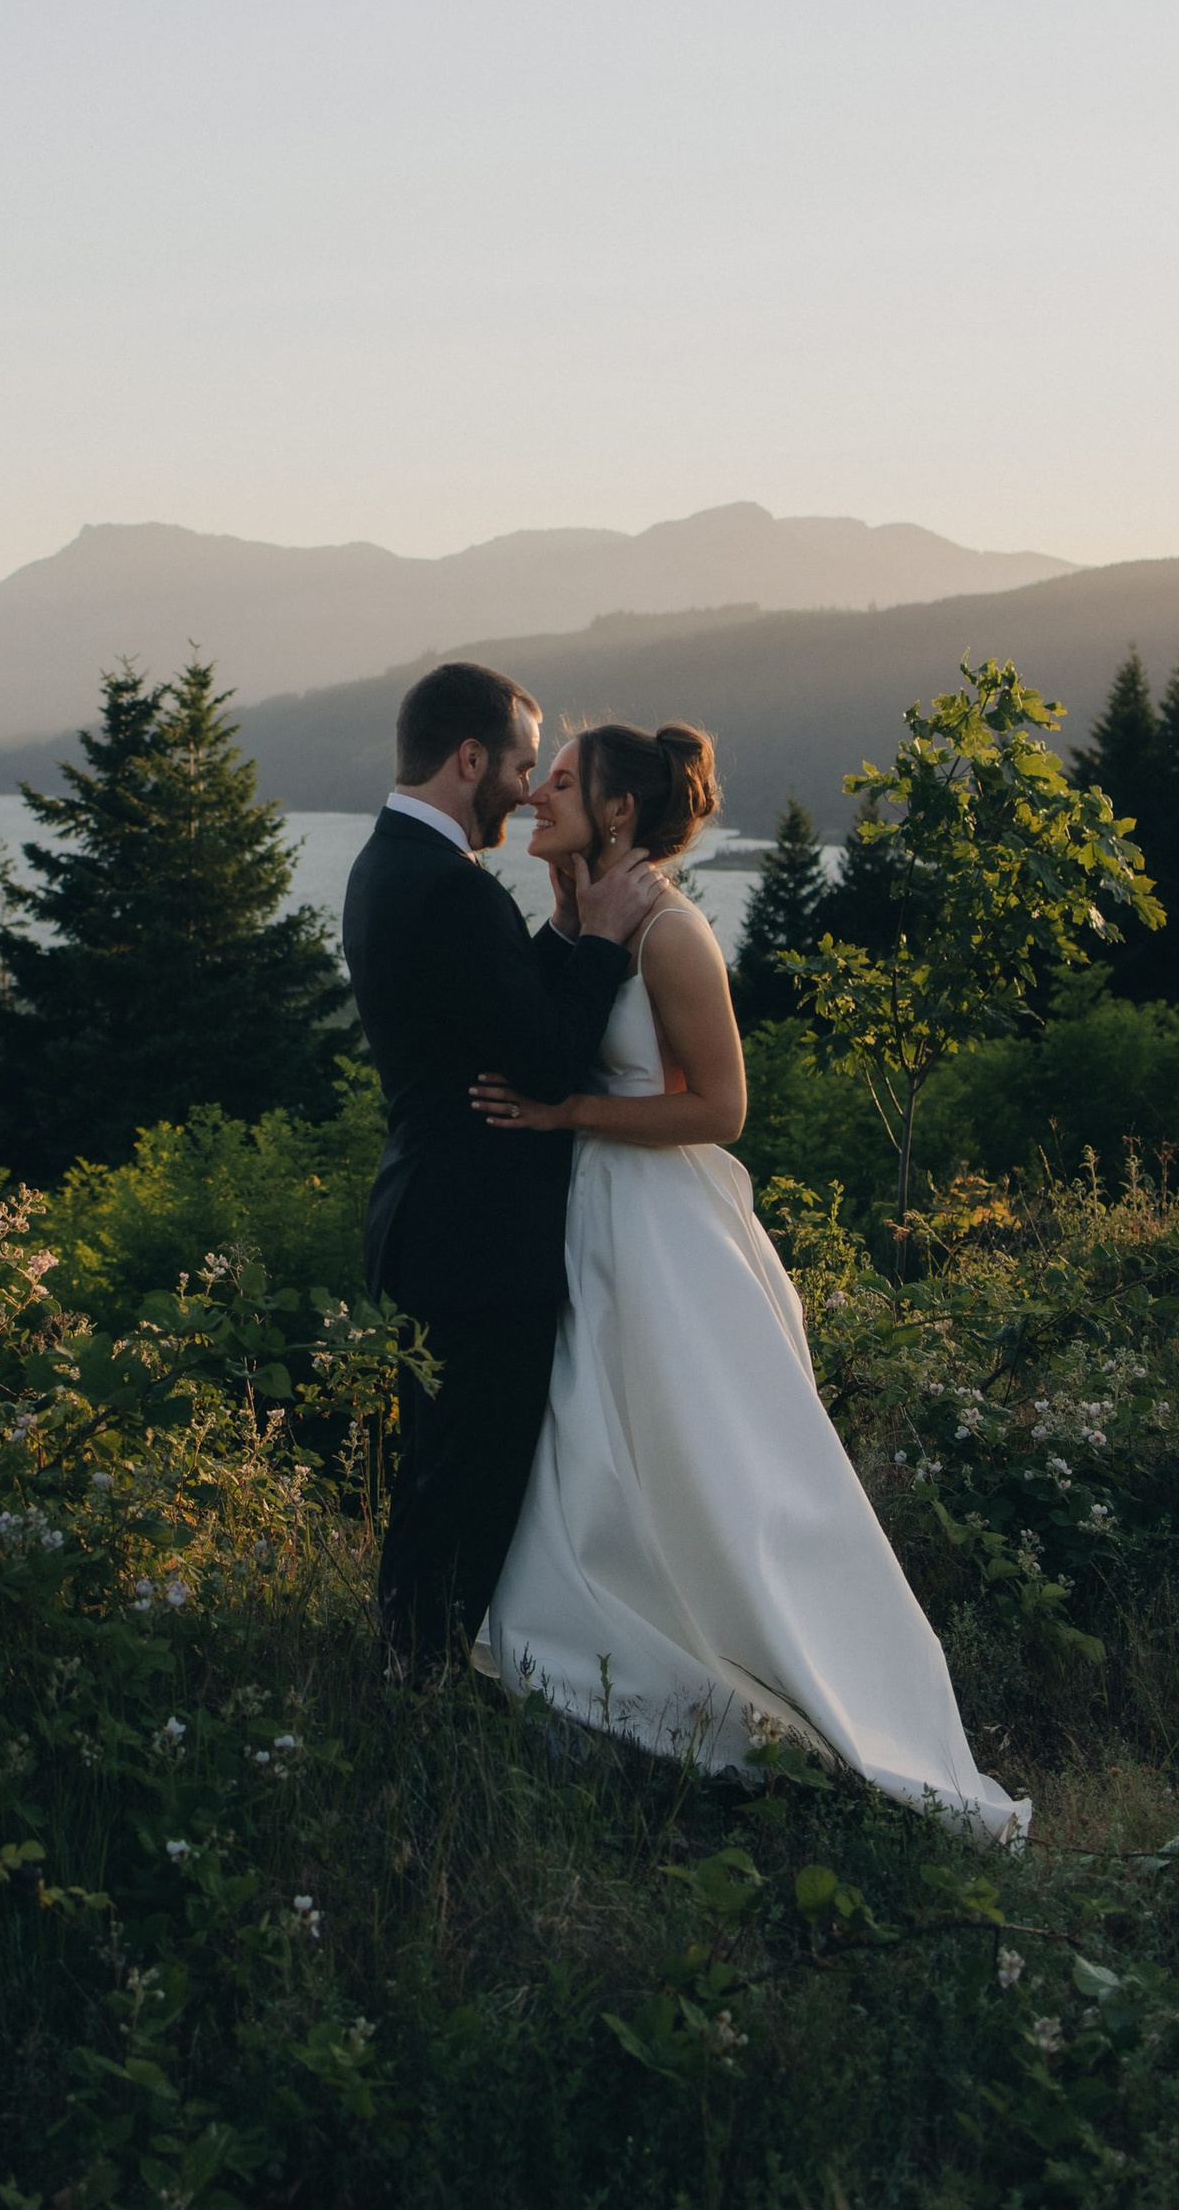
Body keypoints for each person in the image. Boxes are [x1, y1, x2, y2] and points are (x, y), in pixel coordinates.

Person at [471, 720, 1027, 1845]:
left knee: (703, 1473)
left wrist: (570, 1111)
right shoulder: (576, 919)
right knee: (584, 1463)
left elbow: (720, 1110)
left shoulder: (671, 933)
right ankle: (596, 1687)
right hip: (584, 1219)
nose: (536, 793)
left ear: (619, 811)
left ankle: (773, 1696)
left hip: (662, 1233)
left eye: (562, 781)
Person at [340, 662, 661, 1677]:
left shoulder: (387, 864)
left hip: (430, 1217)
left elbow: (494, 1009)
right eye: (522, 765)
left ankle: (411, 1670)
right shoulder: (450, 890)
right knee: (465, 1483)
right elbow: (548, 1059)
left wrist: (564, 928)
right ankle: (419, 1683)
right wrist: (605, 938)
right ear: (467, 757)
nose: (528, 790)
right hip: (479, 1239)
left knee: (437, 1473)